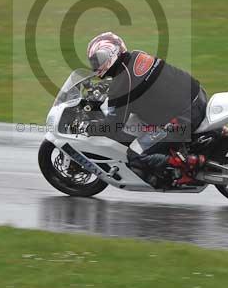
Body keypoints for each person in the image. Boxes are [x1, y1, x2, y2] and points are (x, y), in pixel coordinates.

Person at [85, 31, 211, 187]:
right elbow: (140, 85)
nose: (96, 65)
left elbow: (113, 126)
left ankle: (187, 164)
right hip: (198, 95)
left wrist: (89, 127)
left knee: (135, 154)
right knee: (142, 122)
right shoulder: (137, 56)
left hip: (184, 117)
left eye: (98, 60)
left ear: (111, 55)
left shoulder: (121, 86)